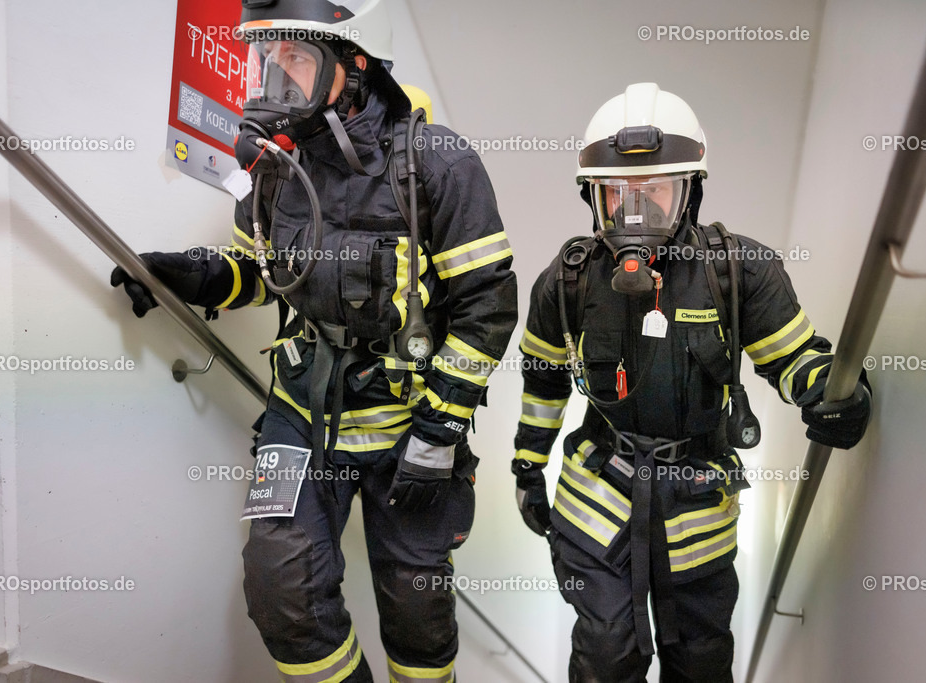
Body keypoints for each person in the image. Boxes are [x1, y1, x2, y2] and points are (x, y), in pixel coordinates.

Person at [112, 1, 517, 681]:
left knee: (417, 610)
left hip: (407, 423)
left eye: (295, 57)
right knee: (282, 590)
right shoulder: (275, 172)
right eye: (268, 59)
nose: (275, 77)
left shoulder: (435, 162)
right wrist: (192, 276)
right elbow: (262, 275)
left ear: (353, 63)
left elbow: (488, 304)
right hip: (303, 413)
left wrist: (440, 428)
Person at [511, 82, 871, 681]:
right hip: (597, 501)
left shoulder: (738, 272)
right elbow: (542, 379)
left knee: (701, 660)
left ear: (690, 193)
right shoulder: (567, 280)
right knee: (603, 655)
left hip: (697, 510)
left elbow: (795, 359)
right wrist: (528, 465)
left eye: (654, 191)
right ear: (591, 198)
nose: (634, 210)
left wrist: (837, 395)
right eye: (616, 193)